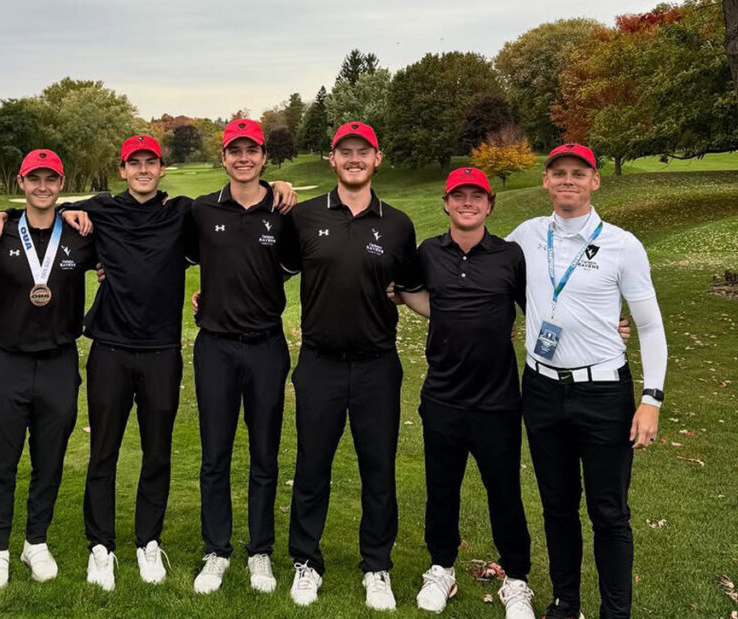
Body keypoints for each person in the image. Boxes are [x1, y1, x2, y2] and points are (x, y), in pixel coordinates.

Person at [0, 134, 295, 591]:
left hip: (161, 351)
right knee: (103, 452)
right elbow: (43, 206)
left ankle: (148, 540)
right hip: (109, 348)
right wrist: (5, 215)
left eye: (151, 162)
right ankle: (101, 546)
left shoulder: (184, 211)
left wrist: (278, 186)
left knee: (157, 453)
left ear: (162, 169)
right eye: (135, 163)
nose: (143, 170)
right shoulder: (101, 209)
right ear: (123, 169)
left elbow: (232, 240)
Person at [507, 143, 666, 619]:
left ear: (595, 181)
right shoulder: (526, 235)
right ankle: (565, 603)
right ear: (546, 181)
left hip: (603, 392)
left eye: (579, 173)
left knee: (608, 512)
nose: (568, 180)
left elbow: (649, 326)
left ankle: (615, 613)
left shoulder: (622, 245)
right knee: (557, 506)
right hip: (541, 388)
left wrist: (652, 398)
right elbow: (483, 268)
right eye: (559, 172)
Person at [280, 122, 428, 611]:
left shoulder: (397, 224)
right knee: (312, 466)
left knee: (378, 469)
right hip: (319, 363)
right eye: (345, 151)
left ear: (377, 158)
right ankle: (306, 561)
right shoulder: (304, 216)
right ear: (333, 158)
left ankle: (377, 566)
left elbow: (413, 290)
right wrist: (213, 296)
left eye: (363, 151)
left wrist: (477, 316)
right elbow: (268, 272)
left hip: (376, 365)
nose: (354, 158)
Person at [413, 167, 535, 619]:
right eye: (459, 196)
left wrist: (602, 326)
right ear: (446, 203)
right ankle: (441, 568)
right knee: (441, 489)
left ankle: (516, 579)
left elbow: (540, 307)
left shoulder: (509, 255)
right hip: (443, 396)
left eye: (476, 196)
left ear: (489, 204)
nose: (468, 203)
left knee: (504, 492)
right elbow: (405, 289)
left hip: (497, 401)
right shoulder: (429, 252)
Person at [0, 150, 96, 589]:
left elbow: (120, 221)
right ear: (21, 182)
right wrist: (2, 214)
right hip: (7, 360)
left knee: (49, 459)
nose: (42, 186)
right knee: (1, 460)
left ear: (61, 184)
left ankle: (35, 541)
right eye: (34, 179)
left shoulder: (81, 234)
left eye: (51, 179)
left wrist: (74, 210)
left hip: (59, 361)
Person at [188, 119, 291, 594]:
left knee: (264, 453)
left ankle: (260, 551)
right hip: (216, 346)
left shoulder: (284, 209)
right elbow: (165, 252)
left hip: (267, 345)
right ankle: (217, 549)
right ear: (224, 157)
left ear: (264, 158)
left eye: (252, 150)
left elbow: (295, 263)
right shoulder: (202, 209)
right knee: (215, 453)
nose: (243, 158)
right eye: (235, 150)